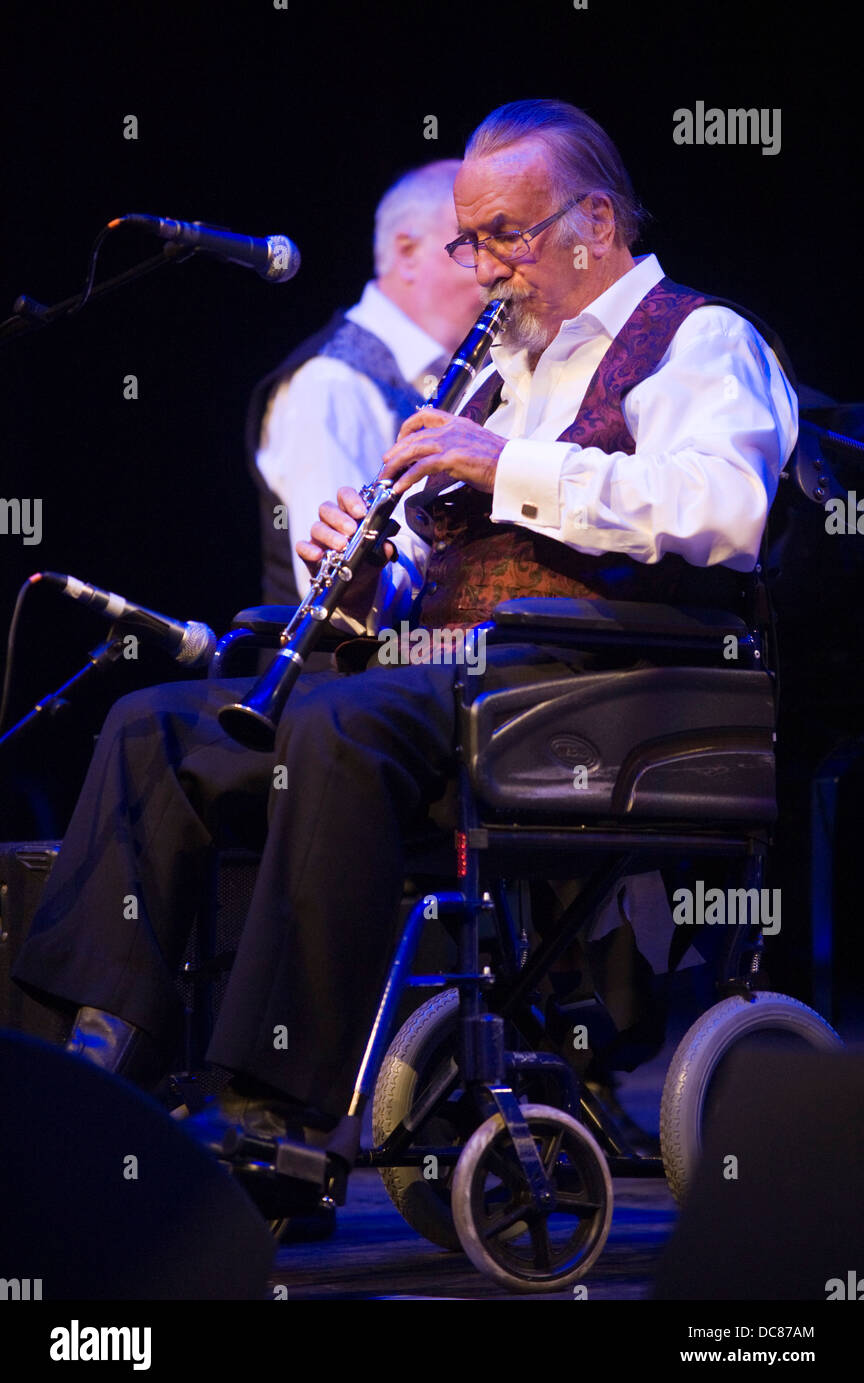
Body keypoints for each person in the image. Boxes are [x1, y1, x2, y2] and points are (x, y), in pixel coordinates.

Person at [13, 99, 797, 1142]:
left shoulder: (700, 339)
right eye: (468, 242)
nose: (481, 268)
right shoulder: (494, 373)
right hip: (454, 679)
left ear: (595, 224)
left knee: (346, 728)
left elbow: (722, 509)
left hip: (597, 682)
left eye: (503, 237)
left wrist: (502, 463)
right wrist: (363, 576)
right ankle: (93, 1073)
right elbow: (435, 567)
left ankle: (278, 1114)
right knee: (156, 725)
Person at [249, 159, 482, 606]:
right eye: (471, 243)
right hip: (343, 672)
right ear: (408, 254)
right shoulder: (331, 382)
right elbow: (333, 595)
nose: (493, 267)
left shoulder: (474, 373)